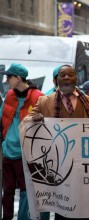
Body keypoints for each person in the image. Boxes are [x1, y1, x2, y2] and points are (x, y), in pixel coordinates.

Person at [25, 64, 89, 220]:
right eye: (62, 75)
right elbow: (27, 120)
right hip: (59, 165)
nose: (66, 78)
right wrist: (34, 118)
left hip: (83, 163)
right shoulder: (44, 101)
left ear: (76, 78)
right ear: (56, 80)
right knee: (62, 208)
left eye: (69, 75)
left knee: (84, 206)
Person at [0, 63, 44, 220]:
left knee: (26, 190)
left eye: (9, 77)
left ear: (17, 78)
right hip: (7, 151)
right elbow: (1, 119)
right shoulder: (10, 95)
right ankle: (7, 217)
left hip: (26, 153)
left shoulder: (38, 97)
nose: (6, 80)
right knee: (8, 190)